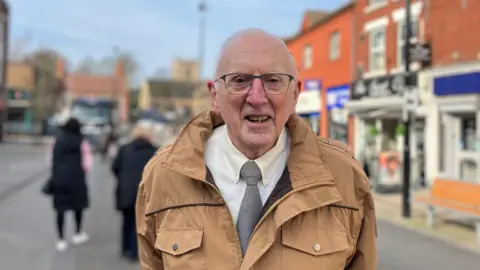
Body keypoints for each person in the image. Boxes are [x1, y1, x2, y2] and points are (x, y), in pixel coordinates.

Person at [136, 29, 377, 270]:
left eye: (273, 80)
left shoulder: (344, 176)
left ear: (295, 94)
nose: (257, 97)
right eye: (240, 80)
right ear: (215, 95)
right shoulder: (165, 174)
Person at [111, 125, 157, 262]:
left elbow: (114, 167)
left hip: (126, 191)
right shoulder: (154, 151)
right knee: (141, 223)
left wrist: (123, 179)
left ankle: (125, 248)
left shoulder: (124, 149)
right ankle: (135, 251)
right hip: (145, 192)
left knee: (127, 220)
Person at [49, 117, 92, 252]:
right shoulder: (82, 143)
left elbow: (50, 161)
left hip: (59, 179)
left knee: (60, 209)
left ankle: (61, 239)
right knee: (78, 207)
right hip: (76, 179)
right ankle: (77, 234)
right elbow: (86, 164)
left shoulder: (56, 141)